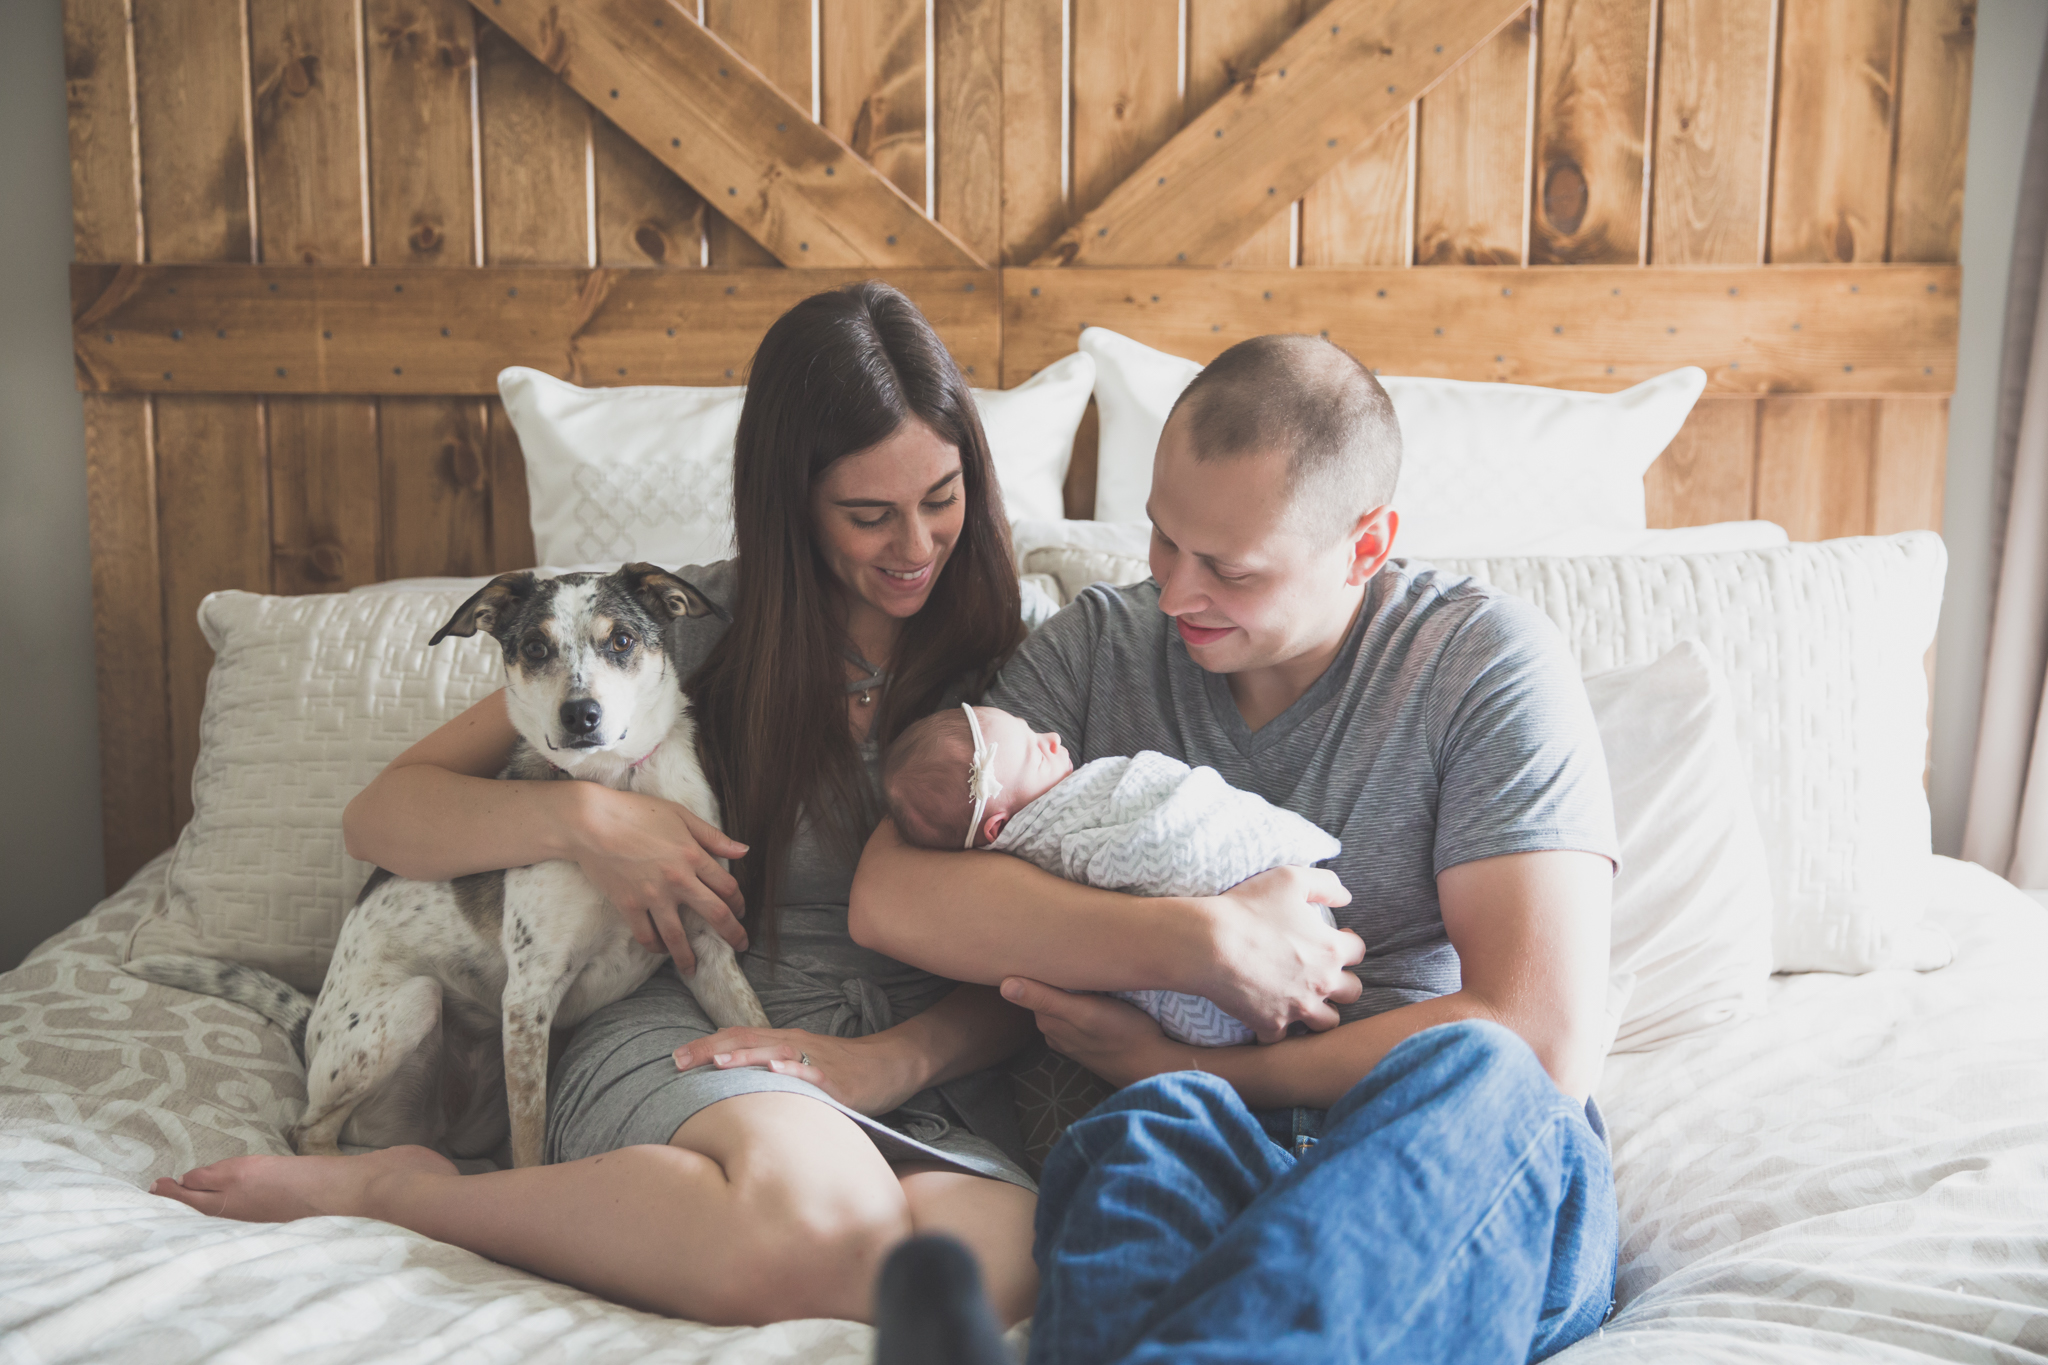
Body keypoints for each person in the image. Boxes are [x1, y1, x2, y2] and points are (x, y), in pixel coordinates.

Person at [147, 281, 1056, 1328]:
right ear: (792, 504)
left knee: (999, 1269)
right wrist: (587, 821)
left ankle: (665, 1213)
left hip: (924, 1053)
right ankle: (409, 1192)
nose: (913, 547)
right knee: (809, 1238)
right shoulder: (680, 628)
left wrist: (896, 1059)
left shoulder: (1024, 651)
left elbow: (1053, 935)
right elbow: (383, 816)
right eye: (867, 514)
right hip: (698, 1028)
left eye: (940, 498)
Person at [852, 334, 1622, 1363]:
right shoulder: (1098, 648)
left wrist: (1180, 1058)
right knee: (1137, 1134)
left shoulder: (1480, 667)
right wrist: (1194, 944)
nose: (1173, 593)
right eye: (1162, 540)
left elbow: (1540, 1035)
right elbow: (891, 896)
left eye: (1228, 569)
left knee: (1476, 1068)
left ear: (1364, 545)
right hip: (1206, 1147)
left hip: (1435, 1165)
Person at [882, 702, 1339, 1046]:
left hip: (1285, 913)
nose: (1053, 738)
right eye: (1036, 754)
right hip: (1226, 971)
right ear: (997, 827)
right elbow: (1142, 849)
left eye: (1034, 731)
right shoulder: (1038, 851)